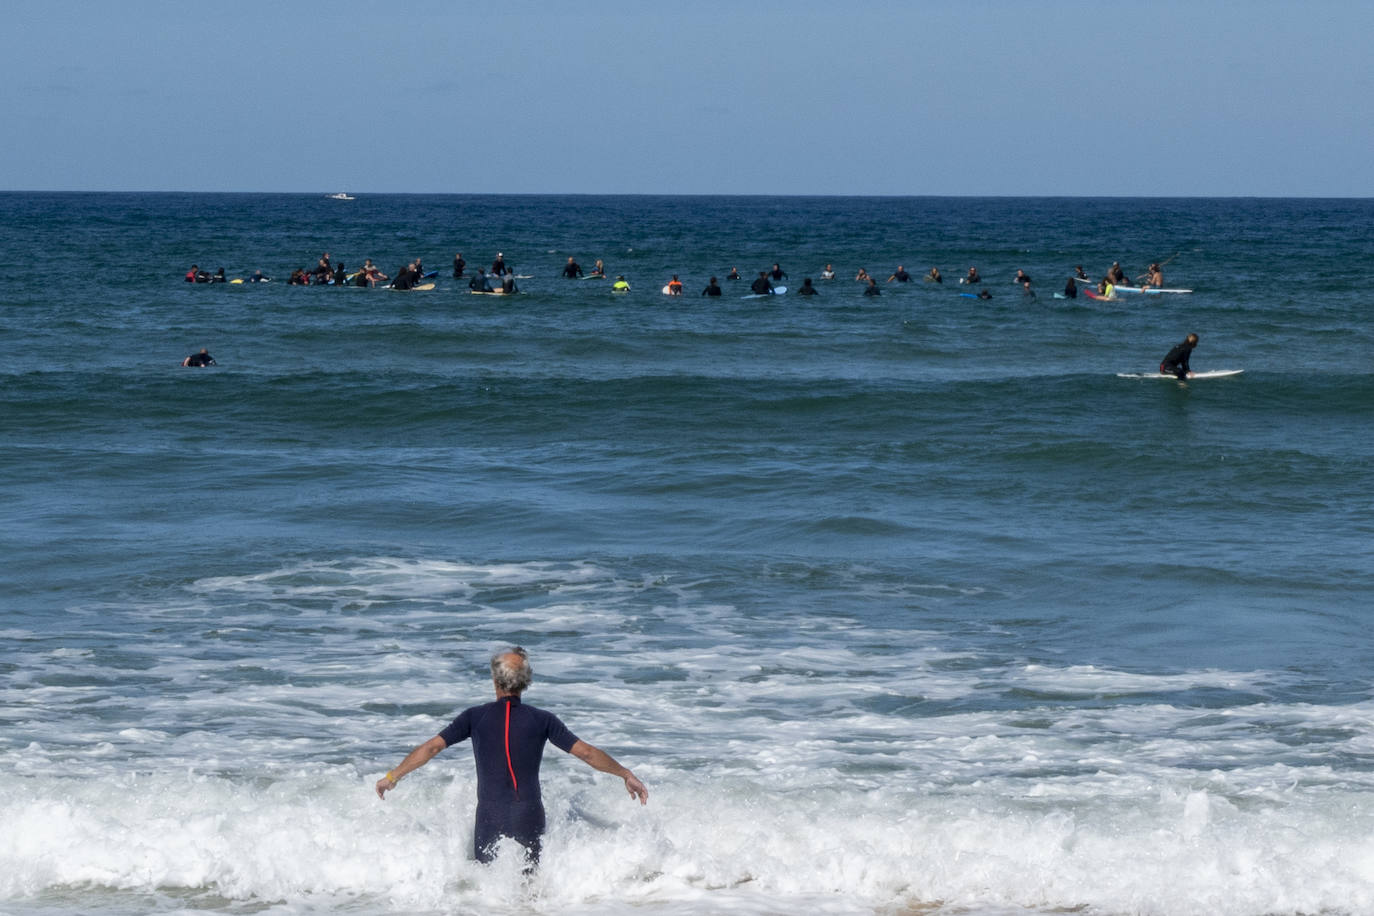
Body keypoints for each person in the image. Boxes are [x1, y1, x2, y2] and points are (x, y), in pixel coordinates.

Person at [375, 647, 647, 867]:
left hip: (489, 816)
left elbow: (431, 748)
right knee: (530, 893)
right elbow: (587, 753)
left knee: (487, 894)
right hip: (529, 814)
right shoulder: (543, 720)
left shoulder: (474, 717)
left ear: (494, 681)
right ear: (526, 683)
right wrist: (625, 773)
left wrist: (392, 777)